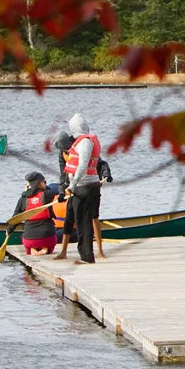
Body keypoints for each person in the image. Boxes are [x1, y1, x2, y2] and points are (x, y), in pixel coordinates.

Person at [54, 113, 105, 264]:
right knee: (82, 221)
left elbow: (82, 165)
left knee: (83, 222)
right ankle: (85, 255)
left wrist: (73, 183)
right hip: (85, 186)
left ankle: (86, 257)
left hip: (84, 186)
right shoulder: (84, 141)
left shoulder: (84, 143)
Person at [16, 172, 61, 255]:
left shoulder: (23, 199)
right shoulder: (47, 194)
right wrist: (44, 187)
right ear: (40, 183)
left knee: (29, 239)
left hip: (29, 239)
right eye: (44, 182)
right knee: (50, 237)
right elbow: (58, 188)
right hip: (47, 238)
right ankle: (45, 248)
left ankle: (32, 248)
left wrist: (9, 230)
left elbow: (15, 218)